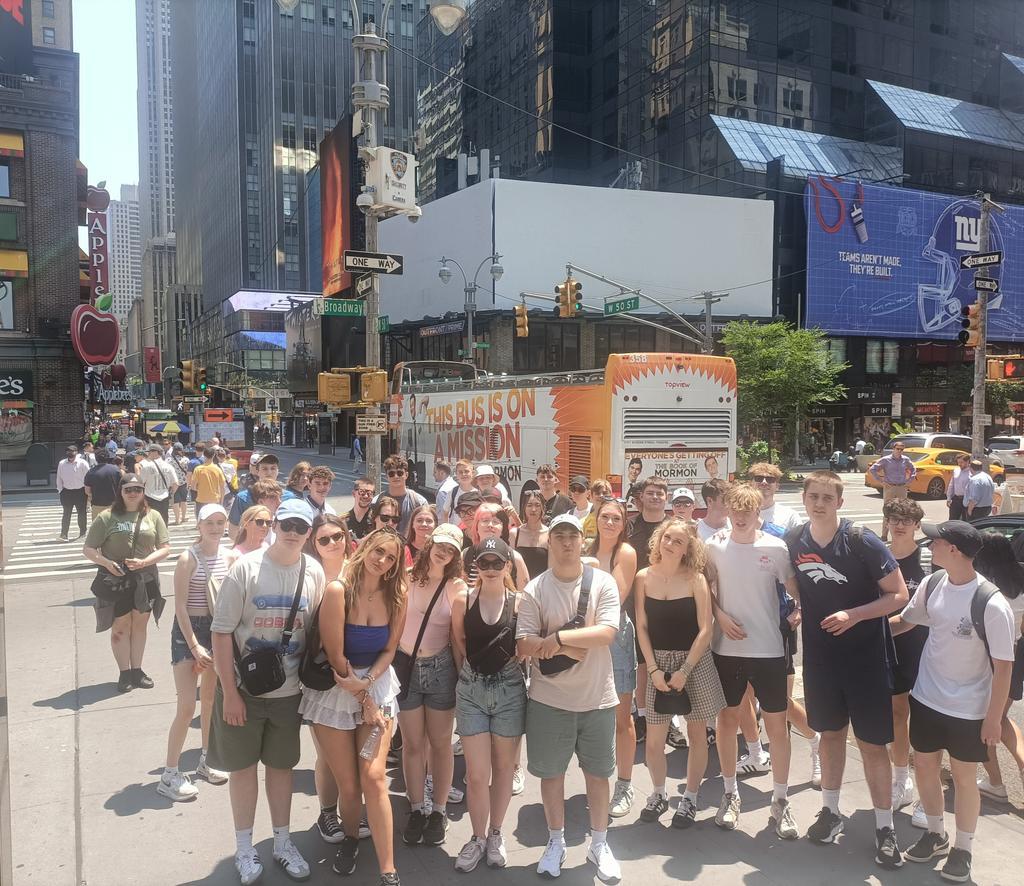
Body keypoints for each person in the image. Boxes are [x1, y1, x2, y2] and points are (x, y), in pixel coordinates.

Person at [785, 471, 909, 868]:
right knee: (830, 735)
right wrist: (795, 606)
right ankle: (830, 812)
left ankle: (885, 828)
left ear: (840, 502)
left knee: (872, 745)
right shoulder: (795, 541)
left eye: (827, 497)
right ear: (804, 500)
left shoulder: (861, 540)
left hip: (866, 658)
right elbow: (794, 584)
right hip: (821, 658)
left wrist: (854, 615)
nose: (819, 503)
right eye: (813, 496)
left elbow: (899, 594)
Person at [892, 520, 1016, 883]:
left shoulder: (991, 603)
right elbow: (907, 621)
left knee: (963, 779)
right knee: (925, 768)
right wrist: (865, 627)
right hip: (927, 697)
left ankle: (963, 849)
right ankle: (935, 834)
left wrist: (993, 719)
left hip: (968, 708)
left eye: (936, 542)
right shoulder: (933, 584)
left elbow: (1004, 667)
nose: (929, 547)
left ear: (955, 551)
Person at [209, 499, 325, 886]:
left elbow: (318, 633)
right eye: (287, 523)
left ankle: (282, 841)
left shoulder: (313, 572)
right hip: (242, 690)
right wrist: (230, 692)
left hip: (289, 694)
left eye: (301, 527)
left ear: (309, 532)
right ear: (275, 524)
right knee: (243, 771)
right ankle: (245, 847)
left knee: (282, 770)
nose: (293, 532)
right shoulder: (246, 568)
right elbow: (222, 632)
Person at [515, 514, 621, 882]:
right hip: (549, 701)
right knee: (552, 775)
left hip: (597, 699)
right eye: (558, 536)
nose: (565, 543)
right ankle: (556, 841)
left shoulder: (603, 582)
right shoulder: (535, 589)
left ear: (582, 541)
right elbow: (523, 643)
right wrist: (554, 643)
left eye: (572, 536)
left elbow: (607, 632)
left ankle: (600, 843)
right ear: (549, 542)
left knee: (598, 775)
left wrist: (558, 640)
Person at [299, 527, 405, 884]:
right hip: (336, 689)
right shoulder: (337, 590)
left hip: (376, 687)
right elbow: (335, 654)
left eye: (391, 557)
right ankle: (349, 838)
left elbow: (390, 649)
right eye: (379, 552)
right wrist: (363, 698)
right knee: (348, 784)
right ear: (364, 548)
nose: (383, 561)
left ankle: (388, 869)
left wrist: (371, 687)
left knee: (373, 776)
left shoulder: (397, 595)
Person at [708, 484, 800, 838]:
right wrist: (719, 615)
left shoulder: (775, 548)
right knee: (727, 721)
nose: (742, 516)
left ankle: (780, 799)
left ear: (758, 511)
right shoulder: (714, 546)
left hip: (769, 649)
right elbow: (705, 588)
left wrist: (799, 610)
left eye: (749, 510)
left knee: (777, 727)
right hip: (727, 649)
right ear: (727, 510)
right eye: (736, 509)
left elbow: (793, 588)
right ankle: (730, 793)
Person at [635, 518, 726, 830]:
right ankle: (658, 794)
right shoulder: (643, 577)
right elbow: (642, 626)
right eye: (667, 538)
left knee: (697, 734)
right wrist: (654, 669)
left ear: (688, 549)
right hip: (658, 663)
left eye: (678, 541)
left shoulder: (695, 579)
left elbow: (706, 629)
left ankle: (689, 797)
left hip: (694, 663)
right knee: (654, 740)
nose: (670, 544)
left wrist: (685, 670)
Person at [449, 538, 526, 872]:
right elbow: (459, 642)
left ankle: (496, 833)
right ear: (475, 566)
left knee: (504, 771)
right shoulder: (463, 600)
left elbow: (524, 647)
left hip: (509, 690)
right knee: (477, 775)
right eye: (485, 562)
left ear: (508, 565)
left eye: (498, 563)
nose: (491, 569)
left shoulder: (521, 602)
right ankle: (478, 837)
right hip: (472, 689)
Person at [397, 524, 467, 848]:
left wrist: (465, 675)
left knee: (440, 744)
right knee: (412, 744)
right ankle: (415, 808)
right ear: (430, 543)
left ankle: (437, 811)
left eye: (451, 549)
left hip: (440, 669)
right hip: (406, 666)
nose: (444, 552)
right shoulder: (405, 577)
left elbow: (458, 637)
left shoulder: (455, 587)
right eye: (441, 544)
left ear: (455, 556)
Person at [159, 503, 230, 802]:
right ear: (199, 525)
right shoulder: (188, 558)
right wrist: (194, 645)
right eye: (209, 522)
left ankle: (206, 759)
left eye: (220, 522)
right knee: (187, 706)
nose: (215, 527)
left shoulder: (229, 556)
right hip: (190, 633)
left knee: (211, 702)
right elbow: (180, 608)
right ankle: (169, 774)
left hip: (217, 630)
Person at [83, 475, 171, 692]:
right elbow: (89, 549)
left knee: (140, 625)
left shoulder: (154, 515)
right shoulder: (106, 517)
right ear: (120, 492)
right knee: (120, 627)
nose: (133, 493)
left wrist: (144, 562)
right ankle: (124, 673)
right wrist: (107, 563)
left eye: (137, 489)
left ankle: (137, 670)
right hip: (116, 579)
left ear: (143, 491)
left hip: (145, 577)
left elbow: (165, 547)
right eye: (128, 489)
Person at [586, 498, 639, 819]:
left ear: (623, 524)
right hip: (587, 635)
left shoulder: (626, 553)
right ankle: (598, 782)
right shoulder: (588, 549)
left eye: (615, 519)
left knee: (622, 717)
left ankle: (625, 783)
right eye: (604, 517)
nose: (609, 523)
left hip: (615, 637)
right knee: (593, 716)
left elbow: (614, 598)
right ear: (596, 518)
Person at [882, 497, 929, 818]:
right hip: (889, 651)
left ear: (916, 525)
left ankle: (929, 796)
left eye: (906, 520)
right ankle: (902, 780)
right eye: (894, 518)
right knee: (896, 716)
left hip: (925, 650)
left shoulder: (926, 559)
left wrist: (872, 631)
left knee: (928, 722)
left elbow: (925, 612)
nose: (899, 525)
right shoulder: (877, 556)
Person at [973, 532, 1024, 803]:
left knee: (987, 724)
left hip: (989, 664)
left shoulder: (985, 590)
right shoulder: (1020, 584)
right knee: (1000, 718)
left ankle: (995, 783)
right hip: (1015, 662)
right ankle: (1022, 760)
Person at [627, 476, 670, 740]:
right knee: (643, 663)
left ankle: (670, 718)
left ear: (666, 497)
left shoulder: (675, 528)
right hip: (635, 603)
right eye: (650, 493)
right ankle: (642, 715)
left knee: (669, 660)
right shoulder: (629, 527)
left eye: (660, 494)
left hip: (669, 603)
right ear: (641, 497)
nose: (655, 497)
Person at [463, 503, 529, 591]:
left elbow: (524, 595)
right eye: (485, 520)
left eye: (496, 521)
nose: (490, 525)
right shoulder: (465, 555)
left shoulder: (515, 558)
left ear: (503, 529)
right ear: (476, 527)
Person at [869, 441, 917, 542]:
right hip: (890, 488)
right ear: (893, 449)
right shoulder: (886, 460)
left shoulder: (905, 460)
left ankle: (901, 535)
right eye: (897, 449)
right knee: (888, 511)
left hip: (902, 487)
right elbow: (873, 469)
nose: (899, 451)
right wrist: (881, 482)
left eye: (901, 449)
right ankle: (884, 535)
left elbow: (913, 469)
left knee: (903, 511)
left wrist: (909, 481)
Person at [228, 452, 281, 539]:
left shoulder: (287, 497)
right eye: (264, 469)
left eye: (273, 468)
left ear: (278, 471)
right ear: (257, 471)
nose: (269, 472)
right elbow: (233, 531)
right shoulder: (243, 498)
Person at [383, 455, 428, 537]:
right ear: (387, 477)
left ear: (406, 475)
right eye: (391, 473)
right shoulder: (377, 501)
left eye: (400, 473)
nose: (396, 476)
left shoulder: (420, 502)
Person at [749, 462, 801, 533]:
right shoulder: (737, 513)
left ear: (777, 486)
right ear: (751, 484)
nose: (764, 482)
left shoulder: (790, 516)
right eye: (759, 478)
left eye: (770, 479)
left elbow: (798, 542)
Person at [138, 442, 179, 526]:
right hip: (164, 497)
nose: (148, 454)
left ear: (155, 452)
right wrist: (170, 493)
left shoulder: (146, 466)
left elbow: (140, 483)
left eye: (149, 452)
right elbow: (175, 483)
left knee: (151, 521)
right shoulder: (168, 466)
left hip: (150, 497)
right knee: (163, 520)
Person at [510, 489, 549, 579]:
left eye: (537, 505)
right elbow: (510, 566)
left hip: (541, 588)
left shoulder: (549, 534)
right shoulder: (515, 534)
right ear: (524, 507)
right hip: (519, 588)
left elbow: (551, 568)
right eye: (529, 505)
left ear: (543, 508)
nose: (533, 509)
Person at [56, 445, 90, 541]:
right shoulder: (62, 463)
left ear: (76, 452)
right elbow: (59, 477)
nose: (70, 453)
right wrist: (60, 490)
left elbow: (88, 477)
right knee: (66, 513)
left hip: (80, 492)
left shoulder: (83, 463)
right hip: (66, 492)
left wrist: (88, 491)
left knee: (82, 513)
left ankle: (83, 532)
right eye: (68, 452)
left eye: (72, 451)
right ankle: (64, 534)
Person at [191, 445, 227, 520]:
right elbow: (222, 488)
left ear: (204, 455)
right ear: (214, 455)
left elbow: (193, 486)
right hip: (214, 500)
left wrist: (196, 495)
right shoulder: (218, 469)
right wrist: (221, 502)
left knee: (202, 522)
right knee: (213, 521)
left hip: (201, 500)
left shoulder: (198, 469)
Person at [84, 450, 122, 520]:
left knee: (98, 528)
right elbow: (121, 487)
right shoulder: (116, 470)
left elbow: (87, 491)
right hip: (113, 504)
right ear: (108, 457)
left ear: (96, 459)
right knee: (113, 527)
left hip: (97, 504)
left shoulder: (91, 472)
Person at [345, 476, 377, 542]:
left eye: (369, 493)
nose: (365, 496)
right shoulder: (342, 521)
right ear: (354, 494)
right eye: (362, 492)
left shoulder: (377, 520)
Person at [168, 442, 191, 525]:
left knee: (175, 501)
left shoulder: (168, 460)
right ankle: (183, 517)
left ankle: (177, 519)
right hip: (184, 482)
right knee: (184, 500)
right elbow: (188, 472)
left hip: (173, 483)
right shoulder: (185, 459)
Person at [946, 453, 971, 521]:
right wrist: (948, 498)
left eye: (961, 462)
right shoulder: (956, 470)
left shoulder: (971, 472)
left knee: (965, 521)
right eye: (958, 462)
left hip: (966, 500)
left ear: (967, 461)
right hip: (956, 499)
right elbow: (951, 485)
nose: (959, 464)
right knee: (952, 520)